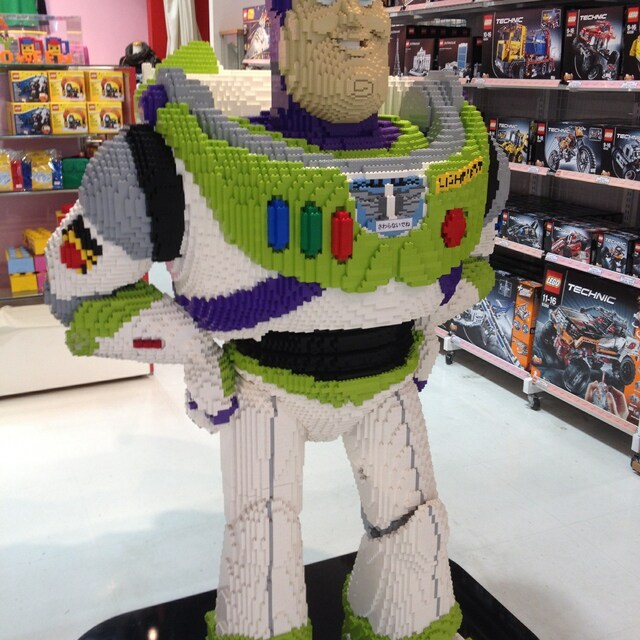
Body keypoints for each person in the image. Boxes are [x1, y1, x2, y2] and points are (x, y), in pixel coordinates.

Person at [45, 1, 508, 638]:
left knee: (415, 528)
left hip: (387, 382)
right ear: (280, 31)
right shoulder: (161, 162)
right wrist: (196, 353)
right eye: (330, 13)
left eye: (372, 19)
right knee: (261, 546)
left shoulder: (467, 160)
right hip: (263, 389)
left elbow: (476, 265)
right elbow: (77, 290)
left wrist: (430, 325)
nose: (355, 24)